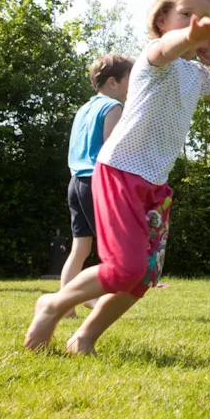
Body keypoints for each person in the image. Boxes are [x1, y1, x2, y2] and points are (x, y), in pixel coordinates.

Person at [25, 0, 210, 354]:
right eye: (188, 15)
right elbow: (168, 47)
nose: (199, 23)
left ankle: (84, 338)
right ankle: (53, 304)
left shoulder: (197, 75)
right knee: (124, 269)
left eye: (207, 18)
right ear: (162, 19)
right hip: (121, 172)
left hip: (155, 183)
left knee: (142, 278)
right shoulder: (153, 58)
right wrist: (191, 35)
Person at [61, 53, 134, 316]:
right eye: (130, 80)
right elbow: (111, 150)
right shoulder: (113, 107)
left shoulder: (85, 108)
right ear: (113, 82)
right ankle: (91, 299)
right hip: (97, 182)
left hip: (76, 181)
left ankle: (66, 305)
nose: (133, 86)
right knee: (113, 250)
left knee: (80, 248)